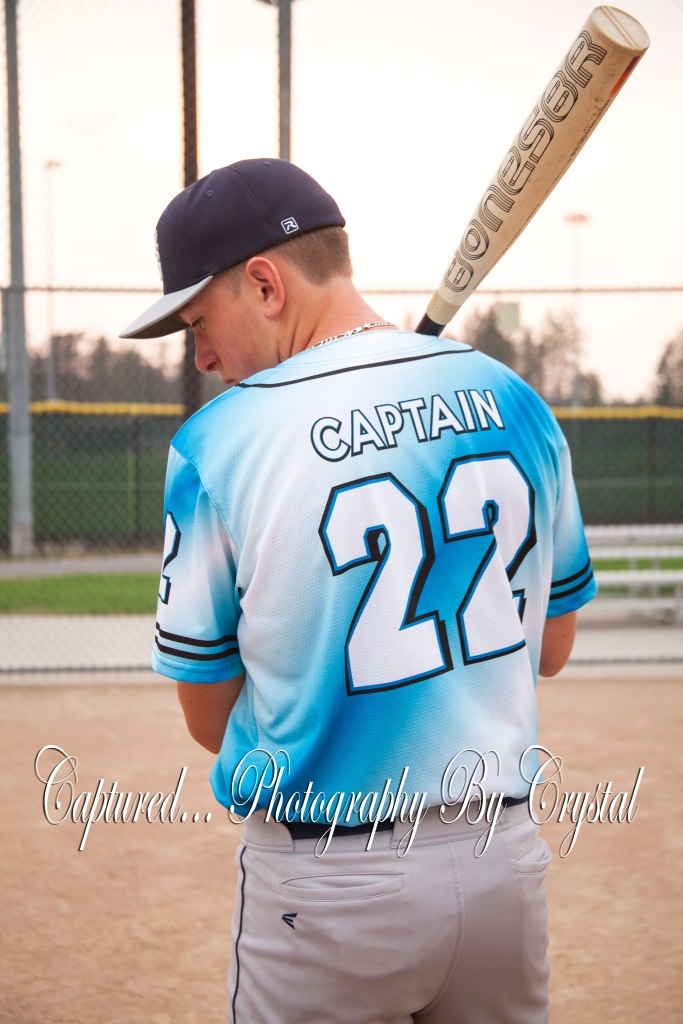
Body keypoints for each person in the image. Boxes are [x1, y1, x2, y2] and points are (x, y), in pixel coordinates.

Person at [121, 157, 596, 1023]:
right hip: (500, 863)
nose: (201, 355)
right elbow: (552, 648)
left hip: (329, 883)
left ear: (265, 284)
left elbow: (207, 716)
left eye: (199, 321)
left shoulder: (218, 443)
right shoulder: (512, 397)